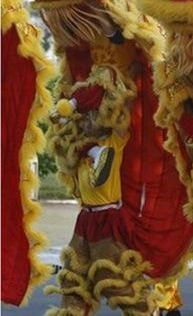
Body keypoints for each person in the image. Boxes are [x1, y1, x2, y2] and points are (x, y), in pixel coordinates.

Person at [45, 110, 157, 315]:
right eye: (85, 117)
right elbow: (60, 136)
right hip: (85, 220)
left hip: (107, 219)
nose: (87, 120)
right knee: (73, 277)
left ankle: (145, 310)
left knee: (111, 278)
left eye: (93, 116)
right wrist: (63, 112)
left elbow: (122, 113)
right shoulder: (80, 147)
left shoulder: (114, 141)